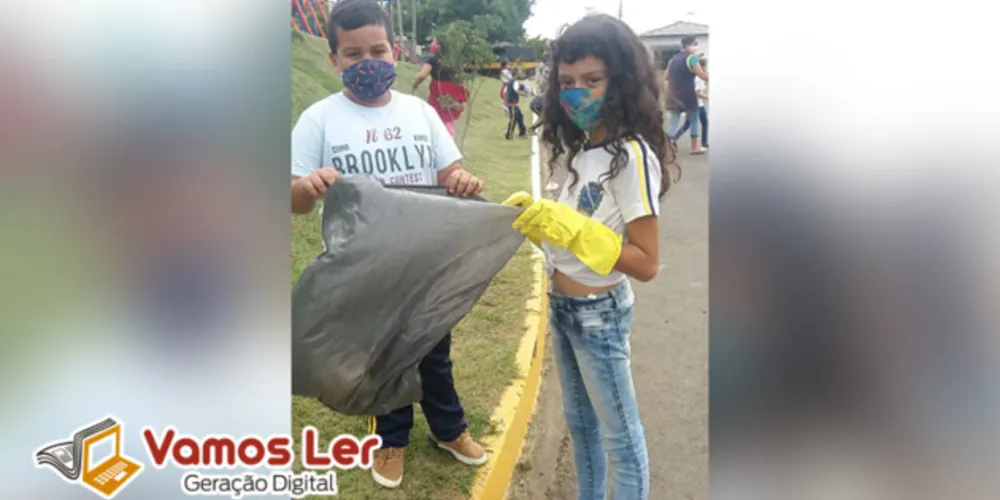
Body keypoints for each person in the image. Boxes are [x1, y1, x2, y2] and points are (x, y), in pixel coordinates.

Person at [289, 0, 488, 490]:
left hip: (425, 263)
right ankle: (390, 440)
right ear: (334, 59)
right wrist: (307, 187)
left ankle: (449, 429)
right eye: (353, 54)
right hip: (364, 269)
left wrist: (461, 180)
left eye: (377, 50)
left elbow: (449, 172)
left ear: (393, 50)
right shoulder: (318, 120)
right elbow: (293, 201)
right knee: (382, 358)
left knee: (433, 350)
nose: (368, 62)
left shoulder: (419, 111)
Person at [507, 13, 678, 500]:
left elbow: (646, 262)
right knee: (580, 426)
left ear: (620, 82)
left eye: (592, 80)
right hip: (563, 307)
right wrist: (540, 228)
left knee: (620, 438)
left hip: (599, 315)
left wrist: (581, 233)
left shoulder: (632, 157)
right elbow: (572, 245)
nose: (577, 93)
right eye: (567, 83)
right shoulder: (583, 152)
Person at [413, 37, 469, 137]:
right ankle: (448, 139)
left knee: (433, 117)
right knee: (448, 119)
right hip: (453, 92)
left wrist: (415, 85)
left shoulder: (433, 60)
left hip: (438, 92)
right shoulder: (453, 60)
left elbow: (422, 76)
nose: (432, 44)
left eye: (434, 42)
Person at [665, 36, 708, 154]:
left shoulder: (672, 60)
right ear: (688, 45)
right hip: (688, 95)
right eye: (695, 44)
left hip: (673, 94)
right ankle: (694, 147)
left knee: (673, 121)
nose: (696, 47)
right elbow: (702, 75)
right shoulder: (692, 59)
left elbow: (666, 76)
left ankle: (668, 147)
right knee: (694, 119)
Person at [672, 57, 709, 150]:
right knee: (692, 124)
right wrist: (706, 97)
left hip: (696, 104)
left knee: (694, 123)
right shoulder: (698, 78)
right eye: (705, 66)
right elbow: (696, 92)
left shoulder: (696, 77)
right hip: (696, 104)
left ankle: (704, 142)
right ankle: (673, 139)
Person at [504, 66, 528, 139]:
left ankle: (522, 133)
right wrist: (524, 94)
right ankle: (509, 135)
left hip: (512, 103)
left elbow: (505, 92)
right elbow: (517, 91)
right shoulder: (514, 81)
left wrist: (505, 104)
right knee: (513, 119)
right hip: (512, 103)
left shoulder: (510, 81)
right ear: (517, 73)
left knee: (520, 117)